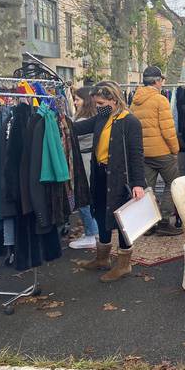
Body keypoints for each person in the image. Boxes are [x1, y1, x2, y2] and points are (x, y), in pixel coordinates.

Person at [73, 81, 146, 282]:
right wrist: (57, 120)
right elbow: (78, 128)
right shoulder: (102, 117)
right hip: (100, 175)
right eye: (96, 103)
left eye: (101, 102)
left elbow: (136, 154)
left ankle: (124, 265)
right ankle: (102, 259)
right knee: (100, 213)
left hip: (121, 179)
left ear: (113, 100)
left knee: (124, 220)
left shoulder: (130, 121)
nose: (97, 106)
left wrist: (138, 183)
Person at [130, 66, 182, 236]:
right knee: (172, 183)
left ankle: (149, 223)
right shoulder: (160, 100)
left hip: (143, 152)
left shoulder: (135, 101)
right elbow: (168, 129)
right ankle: (165, 221)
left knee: (147, 189)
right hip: (162, 152)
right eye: (162, 80)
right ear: (157, 81)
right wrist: (175, 149)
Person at [69, 87, 99, 249]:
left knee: (83, 199)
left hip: (83, 162)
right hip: (88, 161)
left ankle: (91, 234)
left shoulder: (82, 121)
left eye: (77, 99)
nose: (74, 102)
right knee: (89, 198)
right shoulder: (93, 117)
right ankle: (93, 231)